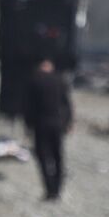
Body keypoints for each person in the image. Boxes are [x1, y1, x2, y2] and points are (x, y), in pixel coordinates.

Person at [23, 58, 73, 201]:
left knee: (43, 157)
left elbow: (29, 107)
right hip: (57, 124)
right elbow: (67, 104)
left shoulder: (35, 80)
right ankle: (57, 189)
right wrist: (68, 122)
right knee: (58, 157)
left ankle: (50, 189)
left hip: (41, 125)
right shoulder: (60, 80)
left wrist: (28, 126)